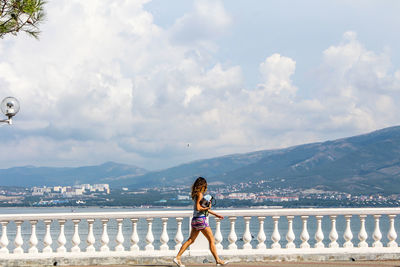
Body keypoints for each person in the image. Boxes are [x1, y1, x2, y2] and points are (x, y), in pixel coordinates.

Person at [173, 177, 229, 267]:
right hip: (201, 220)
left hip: (195, 220)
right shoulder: (200, 194)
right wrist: (208, 207)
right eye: (205, 185)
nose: (206, 187)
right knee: (211, 240)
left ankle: (178, 257)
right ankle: (218, 260)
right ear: (203, 185)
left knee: (191, 240)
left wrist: (216, 214)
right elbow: (199, 209)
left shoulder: (196, 195)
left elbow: (201, 209)